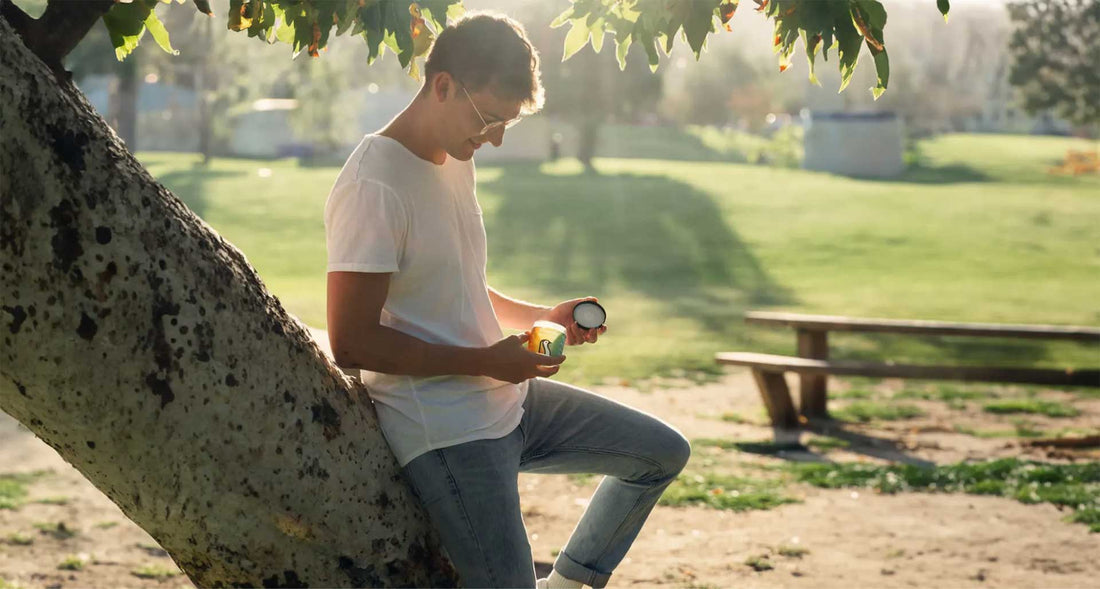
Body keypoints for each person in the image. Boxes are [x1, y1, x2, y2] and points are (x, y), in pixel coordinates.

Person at [324, 12, 691, 589]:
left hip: (508, 399)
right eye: (488, 118)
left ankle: (569, 584)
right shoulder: (374, 183)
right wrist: (487, 361)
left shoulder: (452, 157)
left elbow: (458, 284)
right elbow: (352, 342)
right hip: (447, 433)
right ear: (442, 85)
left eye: (505, 124)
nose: (493, 137)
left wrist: (541, 317)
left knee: (661, 453)